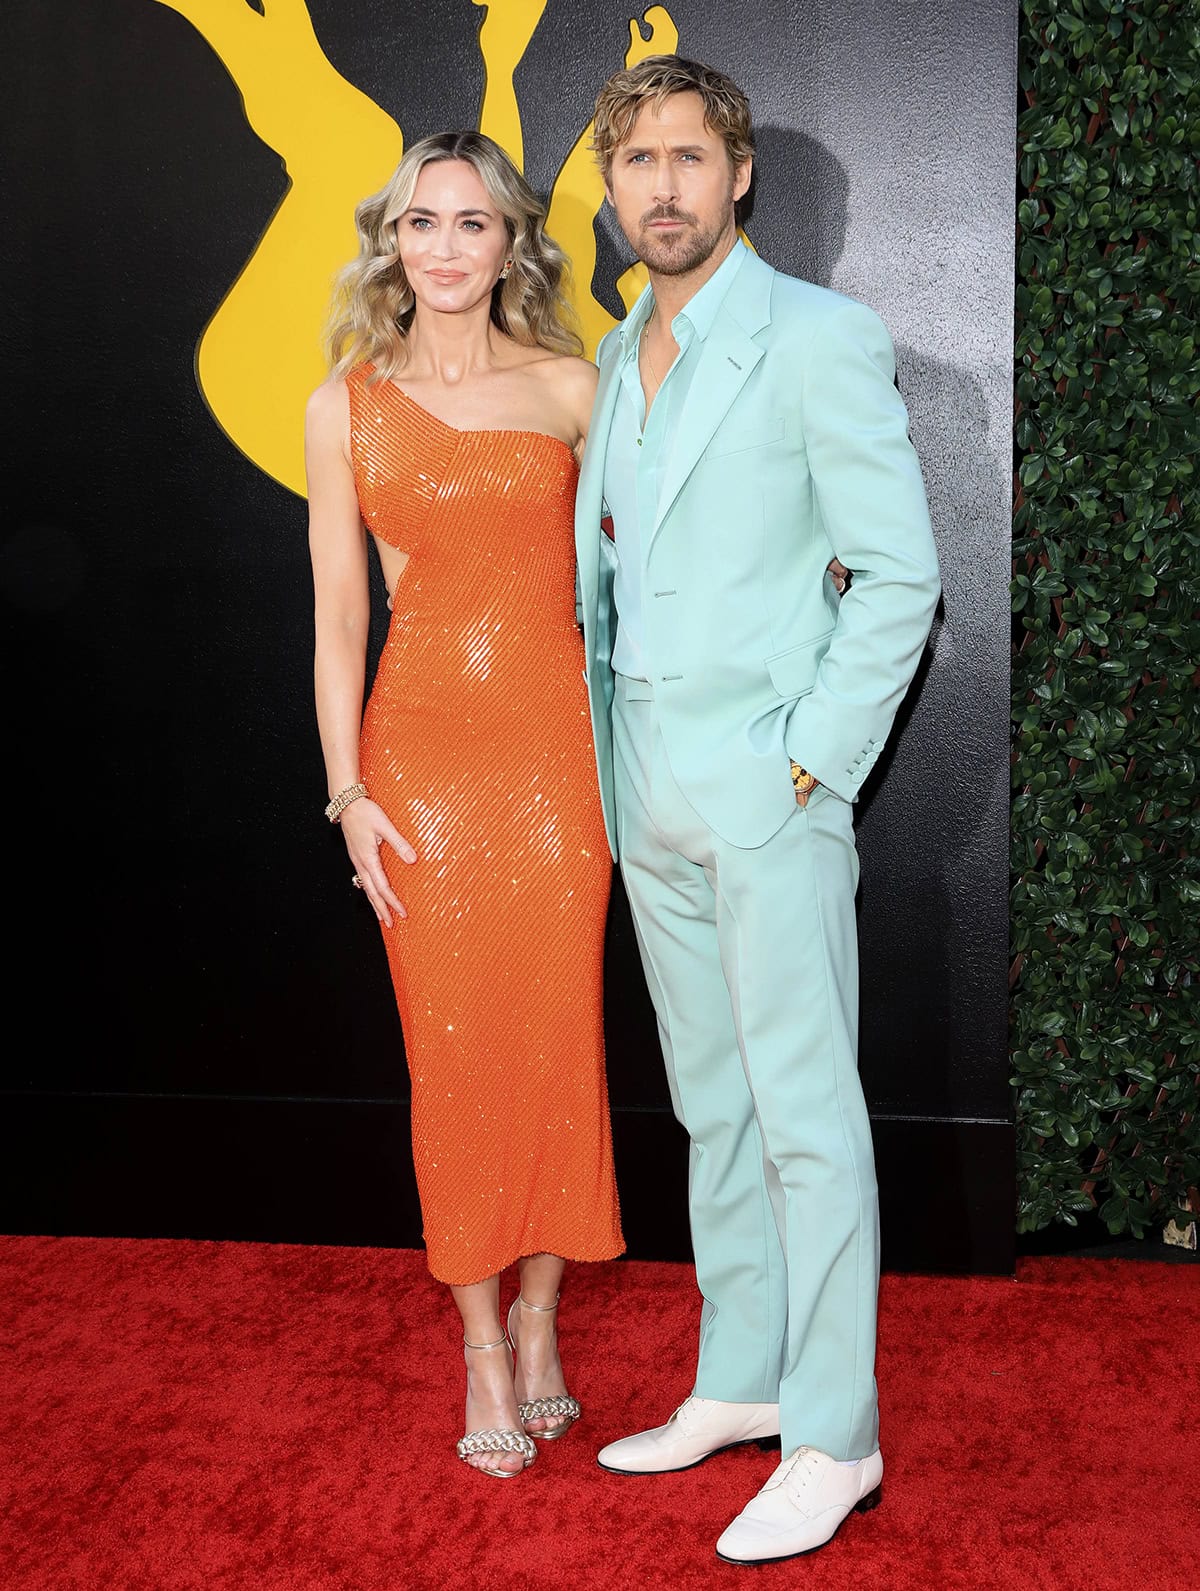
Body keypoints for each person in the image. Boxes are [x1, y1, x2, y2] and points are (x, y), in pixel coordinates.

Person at [575, 58, 941, 1563]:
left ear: (740, 178)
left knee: (803, 1118)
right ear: (607, 186)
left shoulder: (820, 338)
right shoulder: (613, 352)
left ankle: (835, 1433)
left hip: (766, 788)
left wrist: (813, 761)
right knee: (713, 1107)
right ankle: (741, 1382)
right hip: (642, 772)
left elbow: (900, 576)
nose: (659, 185)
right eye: (633, 160)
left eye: (686, 157)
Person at [304, 130, 624, 1480]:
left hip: (559, 764)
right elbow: (334, 620)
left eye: (473, 223)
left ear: (511, 246)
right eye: (421, 222)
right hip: (422, 765)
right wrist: (348, 795)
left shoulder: (572, 385)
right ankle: (483, 1342)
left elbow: (635, 580)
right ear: (393, 241)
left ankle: (544, 1319)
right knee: (456, 1056)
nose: (444, 246)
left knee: (555, 1043)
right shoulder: (346, 402)